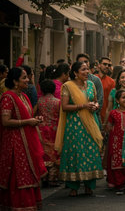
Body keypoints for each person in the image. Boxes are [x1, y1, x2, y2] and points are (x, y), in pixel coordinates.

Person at [0, 67, 47, 210]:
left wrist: (35, 119)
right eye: (24, 78)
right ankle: (18, 204)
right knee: (18, 172)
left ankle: (30, 203)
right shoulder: (8, 97)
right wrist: (28, 122)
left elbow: (27, 116)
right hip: (15, 142)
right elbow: (5, 121)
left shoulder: (23, 96)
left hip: (27, 139)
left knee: (29, 171)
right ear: (15, 81)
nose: (28, 80)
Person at [55, 62, 103, 197]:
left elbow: (95, 101)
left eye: (87, 69)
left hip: (90, 123)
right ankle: (73, 187)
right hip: (74, 125)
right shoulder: (68, 86)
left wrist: (95, 106)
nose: (87, 71)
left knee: (91, 151)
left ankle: (89, 185)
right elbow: (64, 107)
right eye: (83, 69)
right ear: (75, 73)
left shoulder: (91, 85)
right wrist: (83, 106)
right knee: (75, 153)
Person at [36, 79, 61, 187]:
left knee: (44, 153)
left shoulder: (39, 101)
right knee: (54, 154)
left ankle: (44, 177)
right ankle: (52, 178)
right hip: (54, 130)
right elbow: (60, 116)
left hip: (41, 129)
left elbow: (34, 113)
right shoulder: (57, 101)